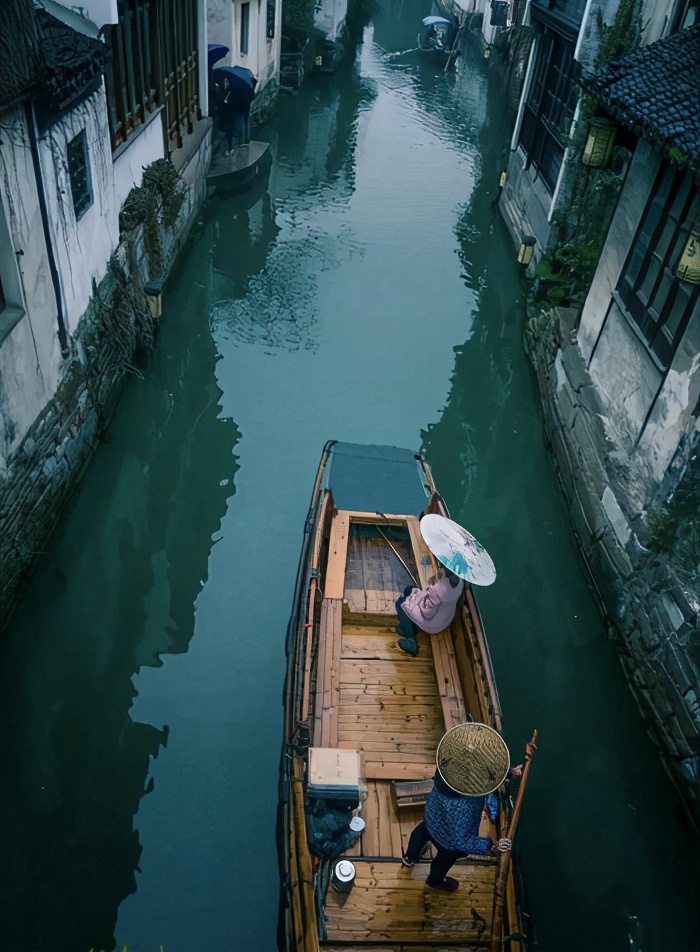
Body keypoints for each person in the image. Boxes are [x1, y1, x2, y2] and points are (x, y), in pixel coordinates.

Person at [402, 762, 523, 892]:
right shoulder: (467, 808)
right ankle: (434, 882)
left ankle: (409, 858)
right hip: (448, 842)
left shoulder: (446, 772)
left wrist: (509, 772)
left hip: (431, 818)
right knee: (443, 861)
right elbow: (462, 842)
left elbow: (480, 768)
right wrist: (492, 845)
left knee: (421, 832)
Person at [395, 567, 464, 657]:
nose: (439, 567)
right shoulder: (460, 582)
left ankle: (411, 640)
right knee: (409, 590)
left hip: (432, 622)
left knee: (401, 605)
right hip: (445, 617)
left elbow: (427, 613)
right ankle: (407, 627)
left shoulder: (438, 590)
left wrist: (414, 602)